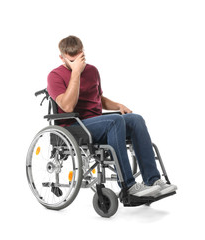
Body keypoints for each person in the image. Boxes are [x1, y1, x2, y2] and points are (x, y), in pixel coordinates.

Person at [47, 35, 177, 197]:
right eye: (72, 60)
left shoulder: (93, 71)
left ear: (83, 52)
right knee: (114, 121)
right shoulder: (55, 76)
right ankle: (128, 187)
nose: (78, 63)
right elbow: (67, 106)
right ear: (62, 58)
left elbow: (98, 98)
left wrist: (118, 106)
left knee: (135, 119)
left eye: (79, 57)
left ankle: (152, 179)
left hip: (99, 124)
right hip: (74, 127)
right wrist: (75, 73)